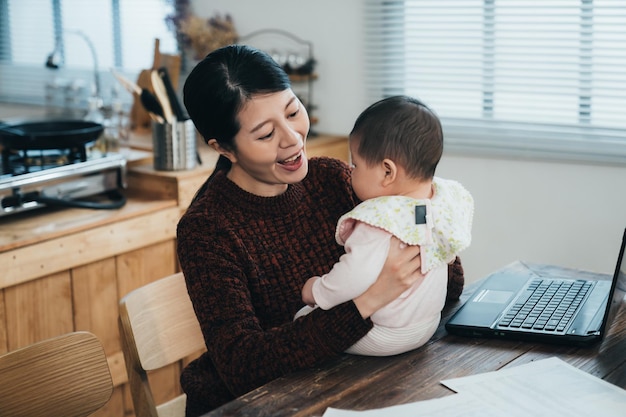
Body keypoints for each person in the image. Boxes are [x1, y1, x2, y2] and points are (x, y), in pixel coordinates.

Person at [177, 44, 466, 417]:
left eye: (294, 112)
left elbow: (451, 290)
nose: (293, 139)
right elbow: (243, 366)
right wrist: (370, 301)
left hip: (348, 384)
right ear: (224, 148)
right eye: (266, 134)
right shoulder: (208, 229)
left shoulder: (332, 178)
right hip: (252, 405)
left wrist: (420, 207)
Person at [298, 96, 474, 356]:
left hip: (385, 334)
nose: (350, 171)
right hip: (427, 324)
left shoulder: (378, 220)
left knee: (302, 320)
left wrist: (316, 290)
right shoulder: (436, 204)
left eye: (355, 164)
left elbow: (353, 278)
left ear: (387, 172)